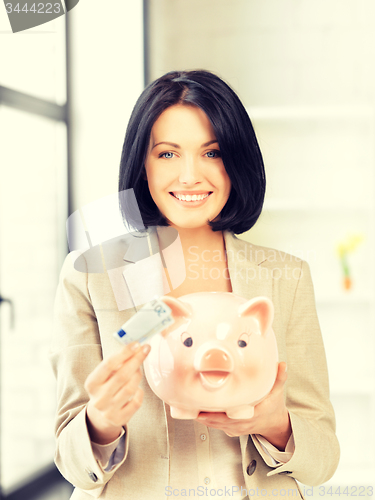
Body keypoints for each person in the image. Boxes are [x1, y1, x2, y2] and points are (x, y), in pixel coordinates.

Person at [50, 70, 340, 500]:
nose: (189, 176)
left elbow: (323, 460)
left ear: (237, 162)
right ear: (142, 163)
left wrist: (274, 424)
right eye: (167, 154)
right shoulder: (90, 274)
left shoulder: (286, 277)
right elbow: (68, 457)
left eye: (212, 153)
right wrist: (101, 421)